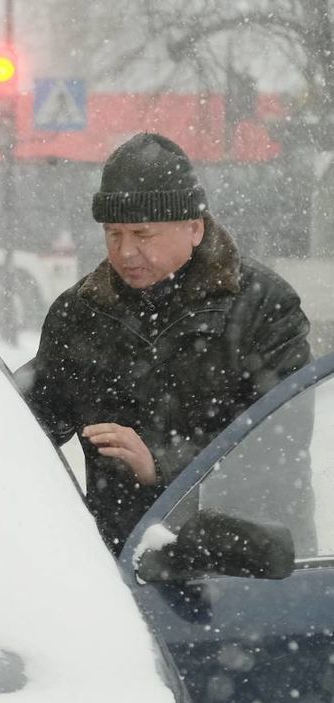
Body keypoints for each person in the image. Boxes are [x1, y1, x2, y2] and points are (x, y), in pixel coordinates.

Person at [23, 132, 311, 552]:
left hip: (246, 568)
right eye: (113, 234)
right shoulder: (81, 314)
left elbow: (281, 450)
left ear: (194, 228)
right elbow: (27, 421)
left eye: (143, 234)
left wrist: (161, 464)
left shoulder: (265, 308)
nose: (126, 252)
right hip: (118, 572)